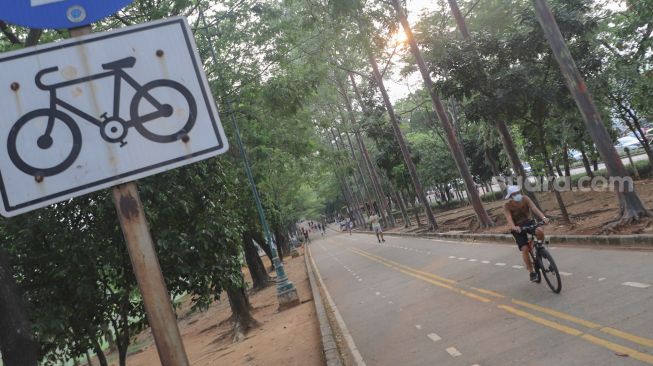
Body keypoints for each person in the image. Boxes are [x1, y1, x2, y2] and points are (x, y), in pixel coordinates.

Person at [503, 185, 549, 282]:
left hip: (528, 222)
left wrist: (543, 217)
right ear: (510, 196)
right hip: (517, 227)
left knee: (540, 231)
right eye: (514, 194)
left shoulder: (525, 198)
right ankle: (532, 272)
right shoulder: (507, 206)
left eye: (517, 193)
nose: (517, 195)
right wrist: (514, 227)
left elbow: (534, 208)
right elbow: (509, 219)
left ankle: (540, 247)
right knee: (525, 249)